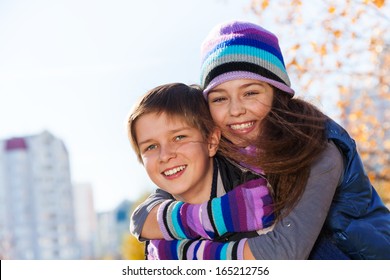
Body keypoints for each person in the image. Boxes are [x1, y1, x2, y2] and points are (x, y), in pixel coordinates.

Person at [130, 21, 390, 259]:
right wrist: (217, 215)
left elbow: (283, 254)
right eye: (220, 98)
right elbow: (143, 218)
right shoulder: (217, 146)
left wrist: (178, 253)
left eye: (251, 93)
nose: (235, 110)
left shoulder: (318, 149)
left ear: (277, 95)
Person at [127, 82, 275, 259]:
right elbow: (138, 220)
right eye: (151, 147)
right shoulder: (158, 213)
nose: (165, 156)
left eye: (179, 137)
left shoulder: (253, 193)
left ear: (211, 142)